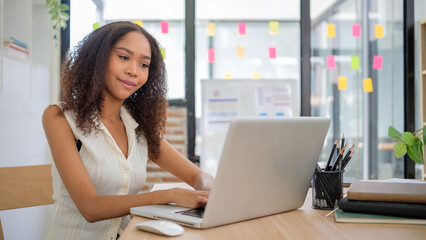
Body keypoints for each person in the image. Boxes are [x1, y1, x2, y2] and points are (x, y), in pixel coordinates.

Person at [42, 21, 214, 240]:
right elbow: (91, 208)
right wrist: (170, 195)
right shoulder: (59, 117)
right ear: (98, 59)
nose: (134, 71)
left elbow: (197, 175)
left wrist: (205, 190)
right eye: (124, 57)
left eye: (144, 64)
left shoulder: (138, 125)